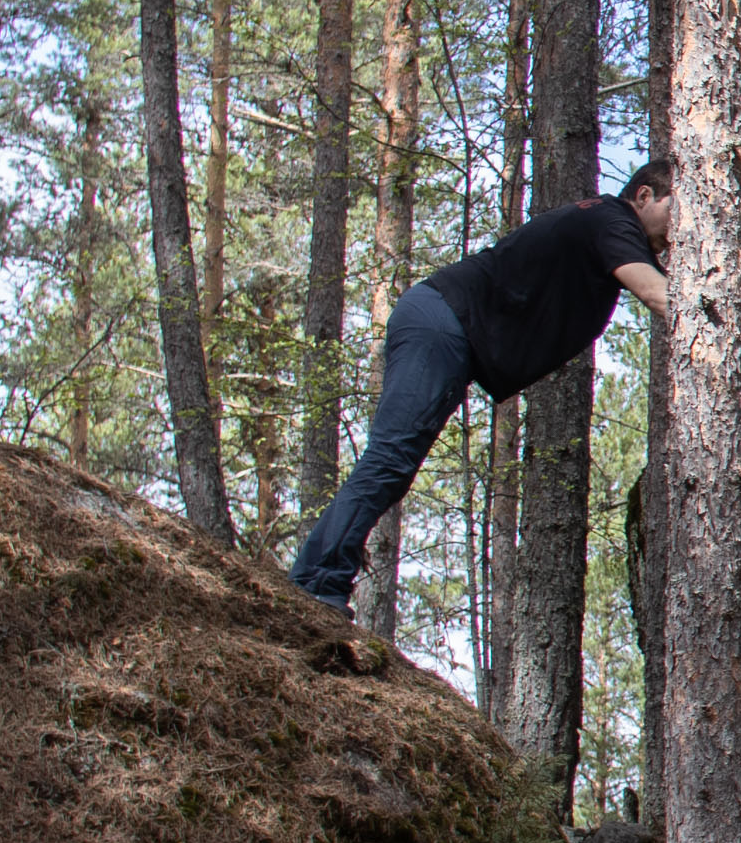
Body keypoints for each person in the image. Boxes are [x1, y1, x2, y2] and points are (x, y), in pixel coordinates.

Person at [289, 164, 674, 615]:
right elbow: (659, 294)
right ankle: (315, 585)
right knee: (390, 460)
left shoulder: (607, 224)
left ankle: (321, 580)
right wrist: (730, 338)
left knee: (394, 463)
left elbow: (675, 290)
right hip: (442, 322)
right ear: (644, 196)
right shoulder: (614, 221)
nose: (680, 231)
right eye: (676, 211)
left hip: (446, 327)